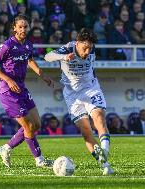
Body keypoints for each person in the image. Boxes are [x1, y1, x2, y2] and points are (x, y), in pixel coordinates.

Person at [44, 28, 114, 175]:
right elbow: (47, 56)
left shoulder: (91, 50)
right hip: (72, 95)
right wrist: (62, 58)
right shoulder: (68, 48)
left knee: (99, 117)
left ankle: (105, 151)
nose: (87, 51)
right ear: (77, 43)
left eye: (90, 48)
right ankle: (105, 165)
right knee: (86, 132)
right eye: (84, 48)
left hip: (90, 88)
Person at [0, 14, 54, 168]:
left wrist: (43, 76)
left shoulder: (28, 45)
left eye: (25, 26)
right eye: (20, 26)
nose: (23, 29)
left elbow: (30, 60)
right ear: (14, 28)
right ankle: (39, 160)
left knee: (36, 124)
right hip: (8, 91)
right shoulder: (7, 45)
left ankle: (6, 148)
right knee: (28, 126)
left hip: (22, 89)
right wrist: (8, 80)